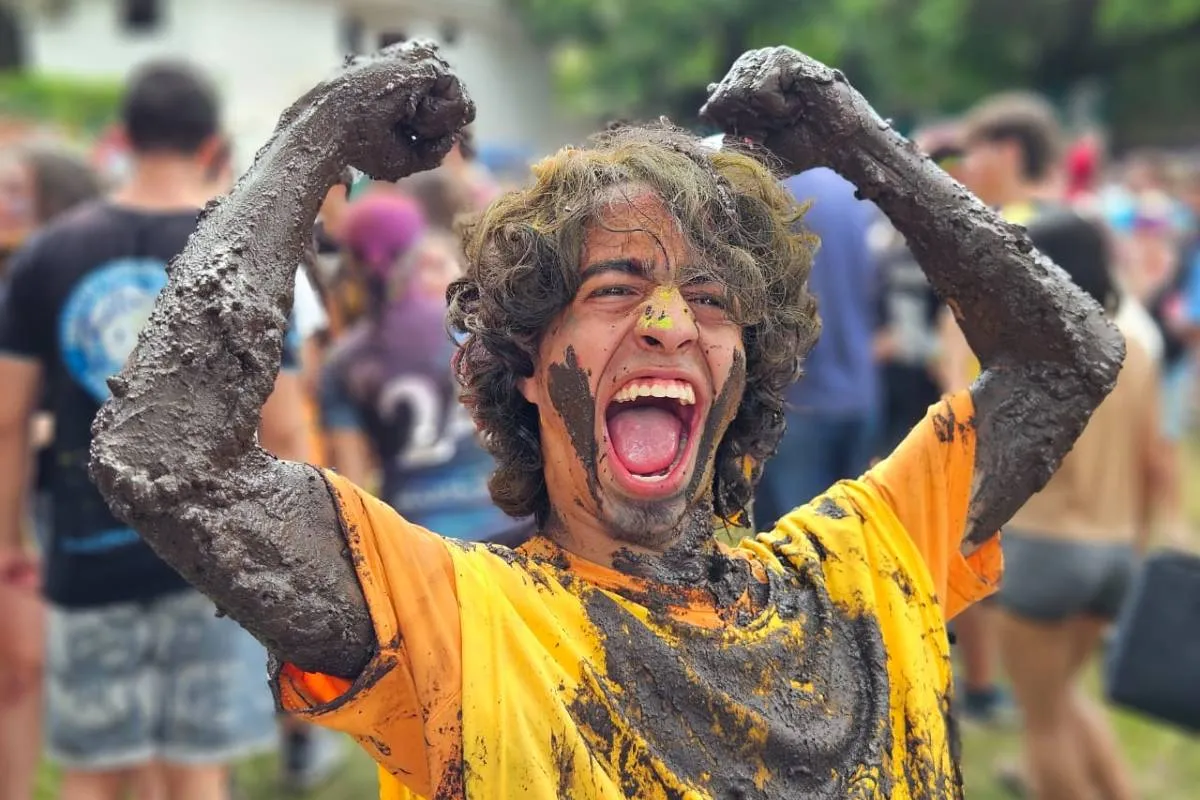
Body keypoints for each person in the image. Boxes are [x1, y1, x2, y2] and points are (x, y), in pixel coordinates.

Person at [86, 43, 1123, 799]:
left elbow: (1066, 356)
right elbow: (166, 455)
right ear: (530, 367)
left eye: (713, 299)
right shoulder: (455, 622)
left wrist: (867, 147)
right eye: (619, 288)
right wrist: (313, 134)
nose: (672, 323)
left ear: (742, 370)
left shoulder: (868, 564)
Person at [0, 61, 276, 800]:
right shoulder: (244, 251)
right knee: (196, 771)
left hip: (85, 547)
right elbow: (286, 419)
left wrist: (9, 539)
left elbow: (6, 415)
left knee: (93, 768)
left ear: (120, 138)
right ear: (215, 144)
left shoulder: (45, 255)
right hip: (211, 556)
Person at [319, 193, 532, 544]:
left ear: (352, 263)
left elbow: (353, 487)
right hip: (508, 521)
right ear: (417, 252)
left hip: (417, 542)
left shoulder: (345, 362)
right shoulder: (476, 329)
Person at [0, 145, 102, 800]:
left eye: (16, 189)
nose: (5, 201)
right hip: (21, 496)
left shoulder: (68, 275)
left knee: (37, 669)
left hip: (53, 497)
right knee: (18, 671)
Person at [752, 165, 881, 527]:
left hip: (797, 400)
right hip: (860, 392)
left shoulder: (773, 196)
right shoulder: (853, 191)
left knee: (792, 555)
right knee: (848, 540)